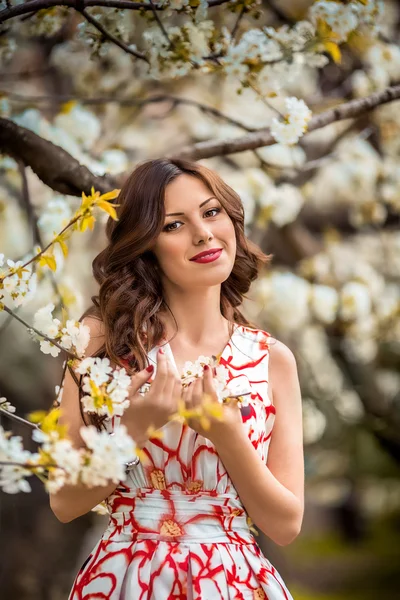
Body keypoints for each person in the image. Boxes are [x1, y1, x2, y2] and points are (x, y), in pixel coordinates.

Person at [50, 158, 304, 599]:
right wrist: (131, 431)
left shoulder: (271, 359)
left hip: (234, 581)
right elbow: (63, 503)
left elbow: (285, 525)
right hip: (126, 577)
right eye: (173, 225)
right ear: (145, 243)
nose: (203, 233)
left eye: (211, 212)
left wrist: (228, 436)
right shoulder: (99, 344)